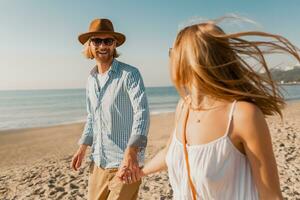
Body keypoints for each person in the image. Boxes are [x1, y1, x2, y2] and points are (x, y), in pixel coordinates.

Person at [129, 19, 300, 199]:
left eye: (173, 52)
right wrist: (140, 172)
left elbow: (271, 195)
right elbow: (170, 152)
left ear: (190, 60)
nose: (170, 58)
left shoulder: (243, 115)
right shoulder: (184, 106)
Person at [70, 18, 150, 200]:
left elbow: (142, 113)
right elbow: (92, 117)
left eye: (108, 41)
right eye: (97, 41)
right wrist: (82, 148)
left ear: (114, 45)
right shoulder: (91, 79)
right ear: (89, 45)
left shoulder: (130, 74)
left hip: (125, 163)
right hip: (98, 162)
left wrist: (131, 153)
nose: (102, 46)